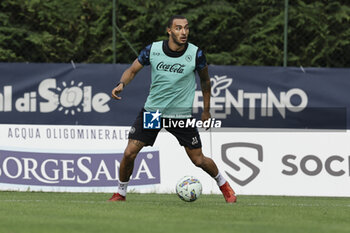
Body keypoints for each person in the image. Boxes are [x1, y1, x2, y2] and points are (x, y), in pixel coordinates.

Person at [108, 15, 237, 203]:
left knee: (198, 159)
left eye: (186, 28)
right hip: (153, 112)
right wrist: (122, 84)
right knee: (129, 153)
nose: (183, 32)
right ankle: (120, 193)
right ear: (169, 31)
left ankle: (224, 186)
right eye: (178, 28)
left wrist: (206, 111)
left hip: (180, 115)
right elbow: (132, 70)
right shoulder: (153, 50)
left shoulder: (196, 54)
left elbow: (205, 81)